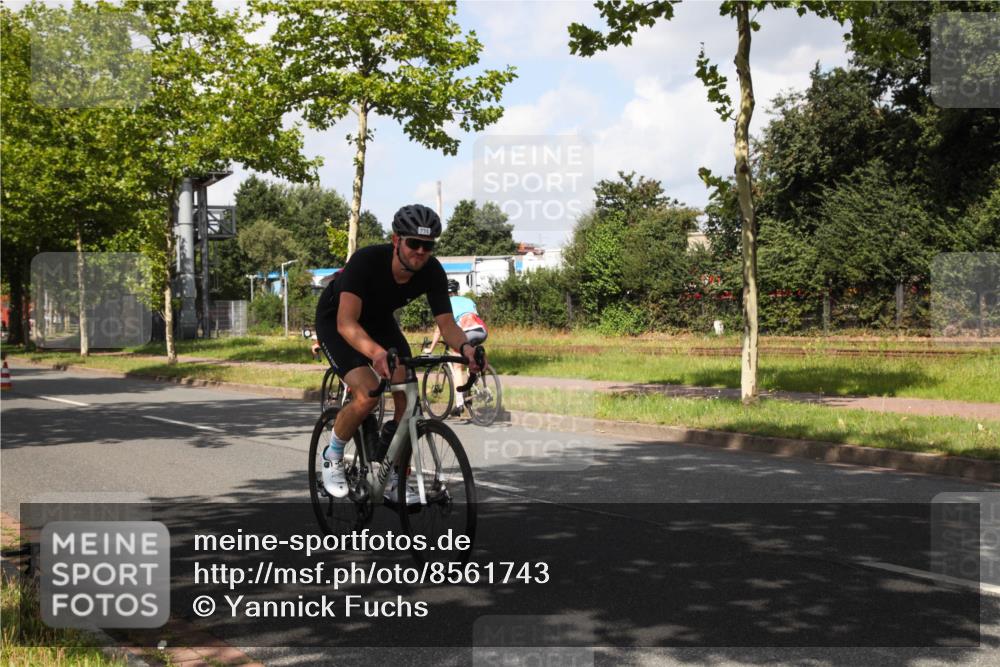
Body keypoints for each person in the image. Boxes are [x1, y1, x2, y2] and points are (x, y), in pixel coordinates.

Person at [313, 204, 484, 503]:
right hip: (339, 320)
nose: (420, 251)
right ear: (396, 241)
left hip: (379, 322)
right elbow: (346, 323)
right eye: (413, 243)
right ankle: (334, 454)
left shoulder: (432, 271)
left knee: (409, 396)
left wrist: (467, 348)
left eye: (427, 245)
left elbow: (446, 324)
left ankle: (395, 476)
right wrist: (376, 353)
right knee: (368, 392)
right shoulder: (366, 261)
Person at [424, 279, 488, 416]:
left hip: (465, 333)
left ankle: (459, 404)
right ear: (457, 291)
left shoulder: (446, 304)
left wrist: (431, 348)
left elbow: (440, 329)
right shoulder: (468, 300)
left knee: (457, 366)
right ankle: (476, 384)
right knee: (472, 358)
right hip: (481, 330)